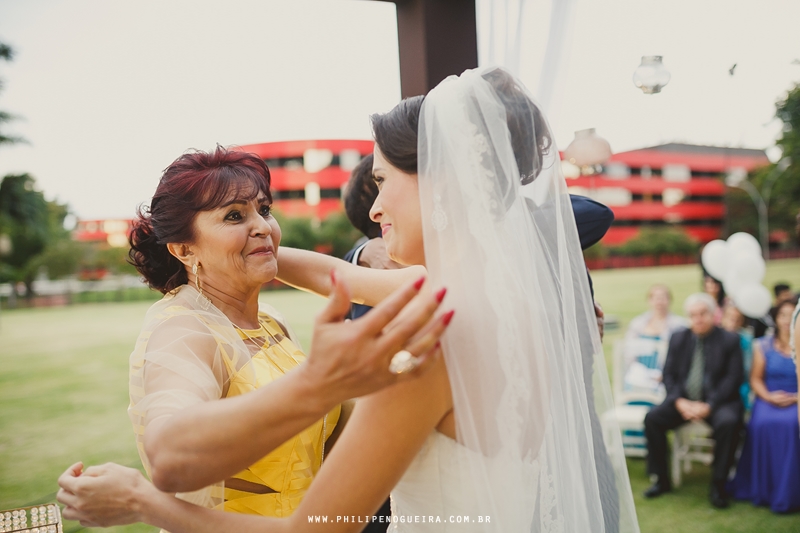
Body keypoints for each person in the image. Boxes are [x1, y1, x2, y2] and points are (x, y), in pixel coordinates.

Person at [58, 67, 638, 532]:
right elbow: (336, 272)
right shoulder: (520, 305)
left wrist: (139, 499)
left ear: (444, 180)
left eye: (382, 181)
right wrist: (233, 250)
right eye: (236, 214)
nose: (374, 207)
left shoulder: (421, 338)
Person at [62, 147, 450, 520]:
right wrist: (321, 381)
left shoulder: (270, 322)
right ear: (182, 248)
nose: (263, 226)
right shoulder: (185, 328)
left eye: (264, 210)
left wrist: (249, 248)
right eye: (234, 216)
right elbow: (168, 457)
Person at [643, 293, 744, 509]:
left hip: (718, 402)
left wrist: (709, 405)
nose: (698, 319)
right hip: (684, 401)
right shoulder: (679, 337)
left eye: (702, 314)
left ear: (712, 315)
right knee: (652, 419)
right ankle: (661, 480)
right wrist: (679, 401)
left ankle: (718, 485)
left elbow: (733, 379)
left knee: (729, 422)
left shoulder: (730, 339)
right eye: (693, 315)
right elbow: (668, 374)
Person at [728, 299, 800, 513]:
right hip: (769, 396)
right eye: (782, 315)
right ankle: (763, 488)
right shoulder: (763, 345)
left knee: (793, 426)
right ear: (775, 319)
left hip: (797, 397)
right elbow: (755, 379)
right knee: (760, 423)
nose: (787, 320)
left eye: (791, 315)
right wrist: (769, 396)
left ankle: (790, 491)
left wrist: (796, 397)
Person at [622, 284, 687, 395]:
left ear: (669, 300)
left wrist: (665, 374)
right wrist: (639, 372)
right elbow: (629, 352)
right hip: (639, 375)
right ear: (649, 300)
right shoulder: (637, 324)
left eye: (663, 298)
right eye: (655, 298)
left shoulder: (679, 325)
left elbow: (683, 356)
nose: (659, 302)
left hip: (666, 376)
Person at [721, 303, 755, 410]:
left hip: (740, 383)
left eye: (737, 319)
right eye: (730, 317)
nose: (733, 322)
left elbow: (748, 367)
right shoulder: (716, 336)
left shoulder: (746, 339)